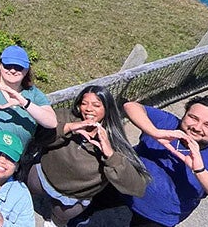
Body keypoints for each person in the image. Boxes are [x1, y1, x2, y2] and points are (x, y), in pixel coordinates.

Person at [25, 85, 150, 226]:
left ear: (107, 109)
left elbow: (137, 187)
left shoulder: (115, 141)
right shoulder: (63, 116)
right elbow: (39, 139)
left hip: (71, 198)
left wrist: (110, 154)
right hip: (42, 177)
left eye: (96, 105)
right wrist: (68, 128)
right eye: (84, 103)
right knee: (27, 193)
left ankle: (54, 221)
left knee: (59, 218)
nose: (88, 109)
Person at [118, 94, 208, 226]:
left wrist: (200, 170)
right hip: (120, 185)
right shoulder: (168, 123)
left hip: (157, 217)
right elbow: (130, 106)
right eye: (193, 117)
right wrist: (154, 132)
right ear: (184, 114)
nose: (197, 127)